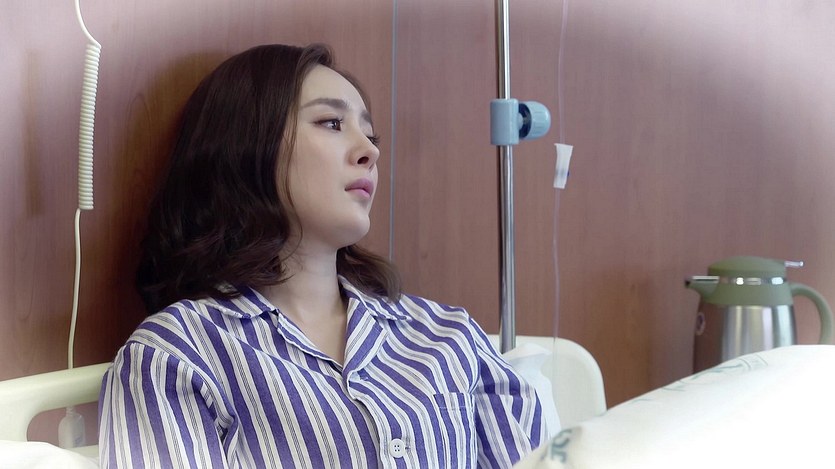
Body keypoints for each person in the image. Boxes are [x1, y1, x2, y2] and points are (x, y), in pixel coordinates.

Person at [99, 43, 545, 468]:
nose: (370, 151)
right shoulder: (176, 358)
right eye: (332, 123)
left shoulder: (448, 336)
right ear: (249, 145)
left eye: (370, 134)